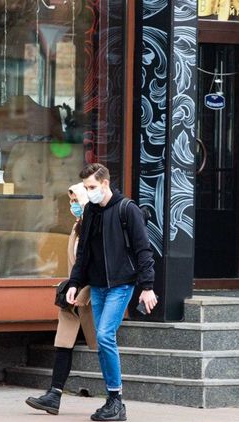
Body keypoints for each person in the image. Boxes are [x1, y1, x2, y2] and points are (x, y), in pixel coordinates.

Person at [64, 163, 157, 422]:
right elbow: (84, 252)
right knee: (102, 341)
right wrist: (74, 283)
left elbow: (143, 250)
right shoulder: (91, 211)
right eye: (86, 188)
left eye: (92, 186)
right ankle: (112, 399)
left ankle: (116, 400)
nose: (89, 192)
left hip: (121, 284)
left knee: (105, 335)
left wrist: (147, 287)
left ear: (105, 183)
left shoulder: (127, 209)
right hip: (98, 285)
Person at [26, 183, 98, 415]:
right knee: (63, 343)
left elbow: (100, 265)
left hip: (94, 295)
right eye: (71, 202)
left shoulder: (97, 228)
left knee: (105, 346)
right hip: (72, 294)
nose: (73, 206)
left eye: (77, 201)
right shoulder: (77, 227)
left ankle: (115, 396)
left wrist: (85, 291)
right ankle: (54, 395)